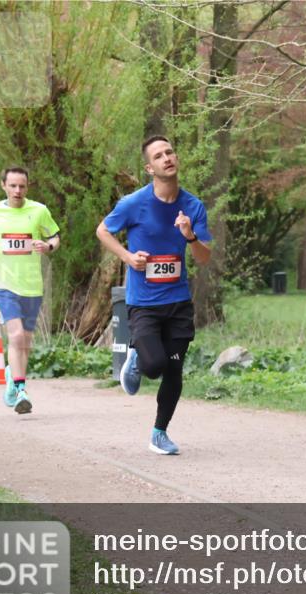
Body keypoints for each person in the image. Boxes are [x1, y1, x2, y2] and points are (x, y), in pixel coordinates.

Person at [96, 135, 211, 455]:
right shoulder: (133, 203)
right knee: (154, 366)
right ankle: (136, 357)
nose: (167, 158)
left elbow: (205, 257)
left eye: (170, 152)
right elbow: (103, 230)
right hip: (144, 303)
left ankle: (159, 433)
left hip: (178, 302)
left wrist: (190, 237)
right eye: (158, 156)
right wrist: (127, 257)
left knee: (173, 369)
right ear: (150, 168)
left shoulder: (193, 206)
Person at [0, 166, 61, 414]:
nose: (17, 190)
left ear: (27, 187)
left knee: (25, 341)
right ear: (3, 185)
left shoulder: (39, 211)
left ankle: (12, 377)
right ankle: (21, 390)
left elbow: (55, 236)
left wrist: (48, 246)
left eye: (22, 186)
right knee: (15, 336)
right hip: (4, 284)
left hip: (32, 286)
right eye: (12, 185)